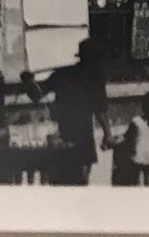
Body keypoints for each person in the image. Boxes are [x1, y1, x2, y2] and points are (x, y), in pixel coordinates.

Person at [21, 38, 110, 185]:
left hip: (61, 135)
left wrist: (28, 82)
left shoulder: (62, 74)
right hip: (83, 137)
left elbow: (36, 95)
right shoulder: (95, 79)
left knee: (60, 182)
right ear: (95, 59)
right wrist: (107, 134)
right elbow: (100, 109)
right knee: (80, 182)